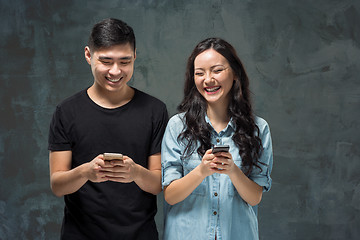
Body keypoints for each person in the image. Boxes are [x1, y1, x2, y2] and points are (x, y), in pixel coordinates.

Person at [48, 18, 168, 239]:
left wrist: (135, 172)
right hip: (81, 234)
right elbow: (57, 184)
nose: (115, 71)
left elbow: (157, 184)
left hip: (140, 234)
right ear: (88, 55)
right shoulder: (66, 112)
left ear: (135, 57)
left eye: (125, 61)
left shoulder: (155, 110)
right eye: (106, 61)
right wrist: (85, 172)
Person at [161, 38, 273, 240]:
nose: (208, 79)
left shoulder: (258, 129)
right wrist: (202, 171)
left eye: (217, 70)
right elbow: (170, 195)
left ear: (235, 74)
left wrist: (232, 171)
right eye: (200, 73)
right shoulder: (177, 126)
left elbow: (255, 197)